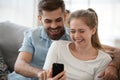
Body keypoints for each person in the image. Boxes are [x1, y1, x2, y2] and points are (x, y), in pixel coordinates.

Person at [8, 0, 120, 80]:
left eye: (58, 20)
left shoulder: (74, 36)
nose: (53, 26)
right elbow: (19, 65)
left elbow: (114, 51)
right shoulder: (32, 35)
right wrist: (41, 73)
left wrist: (113, 66)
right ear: (40, 19)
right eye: (48, 21)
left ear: (65, 16)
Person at [42, 8, 115, 80]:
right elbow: (45, 77)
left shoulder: (103, 60)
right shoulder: (57, 47)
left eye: (81, 31)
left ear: (93, 30)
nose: (76, 36)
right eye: (73, 31)